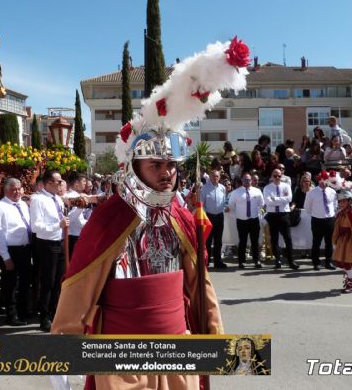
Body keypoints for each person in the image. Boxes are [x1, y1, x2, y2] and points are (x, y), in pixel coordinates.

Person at [51, 37, 239, 390]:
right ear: (135, 167)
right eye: (156, 164)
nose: (167, 172)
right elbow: (78, 289)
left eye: (171, 164)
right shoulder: (110, 218)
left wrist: (213, 337)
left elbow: (201, 288)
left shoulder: (182, 219)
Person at [30, 170, 68, 332]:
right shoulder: (38, 199)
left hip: (59, 242)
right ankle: (44, 316)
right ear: (48, 183)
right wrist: (57, 226)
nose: (61, 184)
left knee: (58, 281)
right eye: (58, 182)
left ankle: (55, 314)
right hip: (47, 243)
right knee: (48, 282)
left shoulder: (57, 199)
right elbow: (36, 226)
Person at [0, 178, 32, 326]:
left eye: (19, 188)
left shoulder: (22, 204)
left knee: (25, 282)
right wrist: (6, 257)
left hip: (25, 249)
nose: (17, 192)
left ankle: (23, 311)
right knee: (10, 284)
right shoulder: (0, 207)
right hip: (10, 250)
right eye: (13, 189)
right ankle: (12, 315)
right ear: (6, 190)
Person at [227, 173, 264, 269]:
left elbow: (261, 204)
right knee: (242, 242)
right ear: (242, 181)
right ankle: (241, 262)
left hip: (254, 220)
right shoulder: (236, 192)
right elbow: (231, 205)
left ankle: (257, 261)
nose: (246, 182)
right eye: (245, 180)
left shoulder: (257, 191)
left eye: (248, 180)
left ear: (251, 180)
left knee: (255, 242)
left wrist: (254, 212)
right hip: (241, 220)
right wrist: (240, 213)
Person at [264, 168, 298, 269]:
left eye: (279, 176)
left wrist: (276, 199)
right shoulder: (267, 188)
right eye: (275, 176)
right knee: (274, 239)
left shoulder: (286, 186)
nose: (277, 178)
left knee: (288, 238)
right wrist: (282, 200)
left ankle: (291, 261)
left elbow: (289, 199)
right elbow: (268, 201)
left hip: (284, 214)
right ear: (272, 176)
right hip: (273, 215)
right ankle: (277, 260)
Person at [305, 171, 338, 270]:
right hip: (317, 220)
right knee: (316, 242)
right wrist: (317, 214)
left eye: (326, 180)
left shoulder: (332, 191)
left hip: (330, 219)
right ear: (319, 180)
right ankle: (316, 262)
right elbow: (307, 207)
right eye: (322, 180)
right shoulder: (311, 193)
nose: (324, 182)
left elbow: (334, 205)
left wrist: (330, 214)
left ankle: (328, 261)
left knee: (329, 242)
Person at [201, 170, 227, 268]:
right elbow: (201, 203)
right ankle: (206, 261)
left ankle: (218, 261)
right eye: (213, 176)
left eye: (217, 176)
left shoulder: (222, 188)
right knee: (208, 240)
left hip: (219, 216)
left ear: (219, 177)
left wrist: (225, 207)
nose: (215, 178)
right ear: (210, 177)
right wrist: (205, 216)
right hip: (209, 216)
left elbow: (224, 201)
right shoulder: (205, 188)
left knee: (218, 241)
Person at [65, 172, 88, 259]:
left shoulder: (76, 195)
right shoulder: (72, 197)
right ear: (76, 183)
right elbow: (71, 218)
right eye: (83, 181)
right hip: (74, 236)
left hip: (76, 234)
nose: (85, 184)